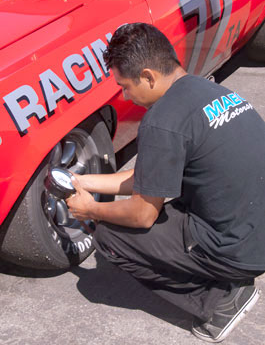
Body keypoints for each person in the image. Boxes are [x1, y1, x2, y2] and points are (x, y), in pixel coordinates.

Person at [66, 23, 265, 343]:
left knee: (111, 238)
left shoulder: (163, 121)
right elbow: (147, 177)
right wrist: (83, 181)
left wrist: (92, 210)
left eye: (126, 86)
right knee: (169, 198)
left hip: (240, 248)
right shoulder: (207, 90)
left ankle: (221, 301)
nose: (126, 95)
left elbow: (142, 213)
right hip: (255, 224)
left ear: (147, 75)